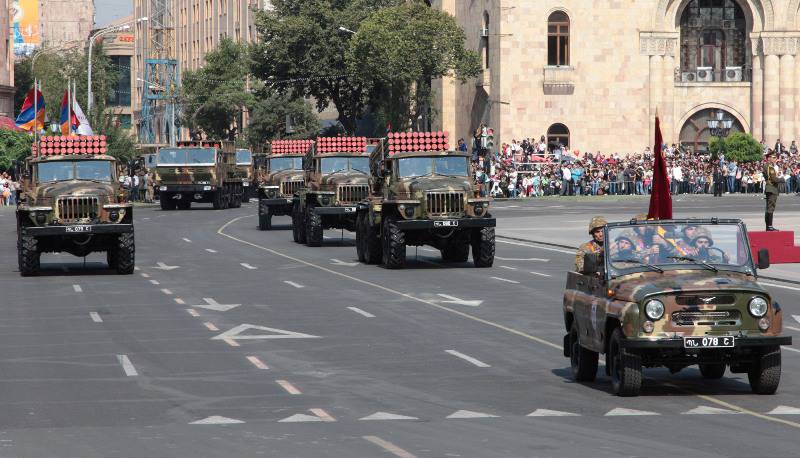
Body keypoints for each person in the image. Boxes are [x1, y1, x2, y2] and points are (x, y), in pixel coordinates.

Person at [764, 150, 780, 231]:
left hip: (770, 188)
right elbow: (773, 179)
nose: (775, 159)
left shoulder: (769, 166)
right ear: (769, 158)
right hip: (772, 188)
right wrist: (782, 179)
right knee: (770, 208)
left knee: (769, 208)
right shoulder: (769, 167)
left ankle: (768, 226)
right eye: (773, 157)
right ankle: (769, 226)